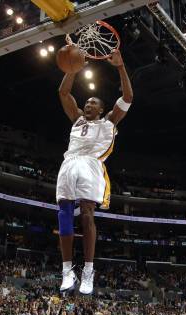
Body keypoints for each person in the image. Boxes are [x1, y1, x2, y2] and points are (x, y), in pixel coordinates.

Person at [56, 48, 133, 295]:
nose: (88, 104)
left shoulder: (109, 121)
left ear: (101, 110)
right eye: (87, 101)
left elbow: (129, 97)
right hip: (69, 163)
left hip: (91, 164)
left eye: (93, 102)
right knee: (64, 213)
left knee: (87, 214)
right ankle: (67, 269)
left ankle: (88, 270)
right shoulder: (76, 119)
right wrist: (72, 70)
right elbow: (63, 92)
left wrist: (120, 67)